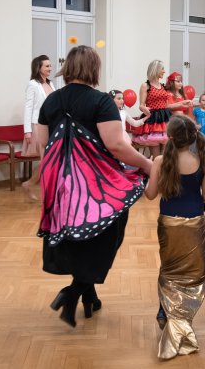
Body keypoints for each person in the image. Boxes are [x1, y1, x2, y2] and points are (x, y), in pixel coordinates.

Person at [36, 46, 152, 328]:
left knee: (78, 237)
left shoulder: (51, 101)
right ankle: (73, 292)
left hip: (60, 181)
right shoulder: (100, 101)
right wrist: (147, 165)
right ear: (93, 69)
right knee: (106, 235)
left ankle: (89, 296)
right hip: (96, 184)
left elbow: (43, 145)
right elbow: (116, 146)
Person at [145, 115, 205, 359]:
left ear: (170, 137)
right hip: (194, 222)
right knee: (194, 272)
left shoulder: (160, 161)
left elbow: (150, 195)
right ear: (193, 137)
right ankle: (181, 318)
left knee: (169, 269)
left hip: (168, 223)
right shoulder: (202, 159)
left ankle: (165, 312)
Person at [133, 60, 187, 158]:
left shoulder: (163, 86)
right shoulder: (146, 85)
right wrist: (144, 109)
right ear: (156, 69)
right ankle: (155, 167)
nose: (164, 71)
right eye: (162, 69)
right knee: (156, 156)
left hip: (165, 118)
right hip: (153, 120)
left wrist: (181, 103)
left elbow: (167, 106)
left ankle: (164, 168)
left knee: (166, 154)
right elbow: (141, 105)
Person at [22, 55, 55, 200]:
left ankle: (28, 184)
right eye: (47, 66)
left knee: (49, 160)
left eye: (50, 65)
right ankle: (48, 194)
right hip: (38, 125)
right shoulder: (33, 84)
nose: (50, 68)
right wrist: (27, 131)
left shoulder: (51, 84)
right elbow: (28, 107)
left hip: (51, 125)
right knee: (47, 160)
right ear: (38, 68)